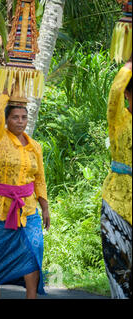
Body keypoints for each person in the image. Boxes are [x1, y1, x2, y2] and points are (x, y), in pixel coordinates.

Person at [0, 90, 50, 299]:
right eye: (15, 117)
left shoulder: (34, 147)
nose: (20, 122)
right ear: (7, 119)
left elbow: (39, 179)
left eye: (24, 117)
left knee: (34, 249)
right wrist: (5, 92)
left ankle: (31, 296)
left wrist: (45, 206)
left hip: (28, 208)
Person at [100, 60, 132, 299]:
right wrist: (128, 67)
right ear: (128, 94)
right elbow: (113, 97)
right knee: (119, 268)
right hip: (117, 202)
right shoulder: (119, 121)